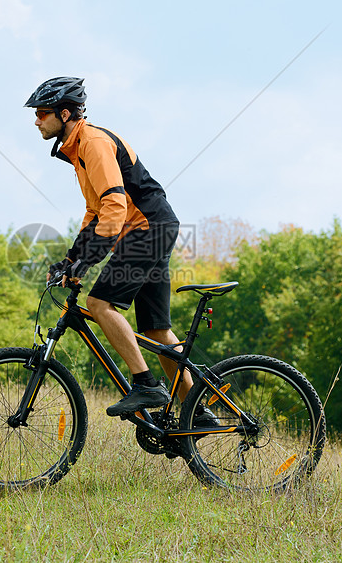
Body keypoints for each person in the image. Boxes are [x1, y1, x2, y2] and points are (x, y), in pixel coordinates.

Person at [26, 76, 215, 423]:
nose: (36, 120)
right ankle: (197, 413)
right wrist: (70, 259)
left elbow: (114, 208)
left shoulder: (93, 144)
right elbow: (94, 211)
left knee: (99, 303)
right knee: (157, 331)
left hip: (146, 228)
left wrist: (85, 264)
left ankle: (145, 384)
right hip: (154, 228)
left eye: (41, 113)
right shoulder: (78, 148)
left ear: (64, 113)